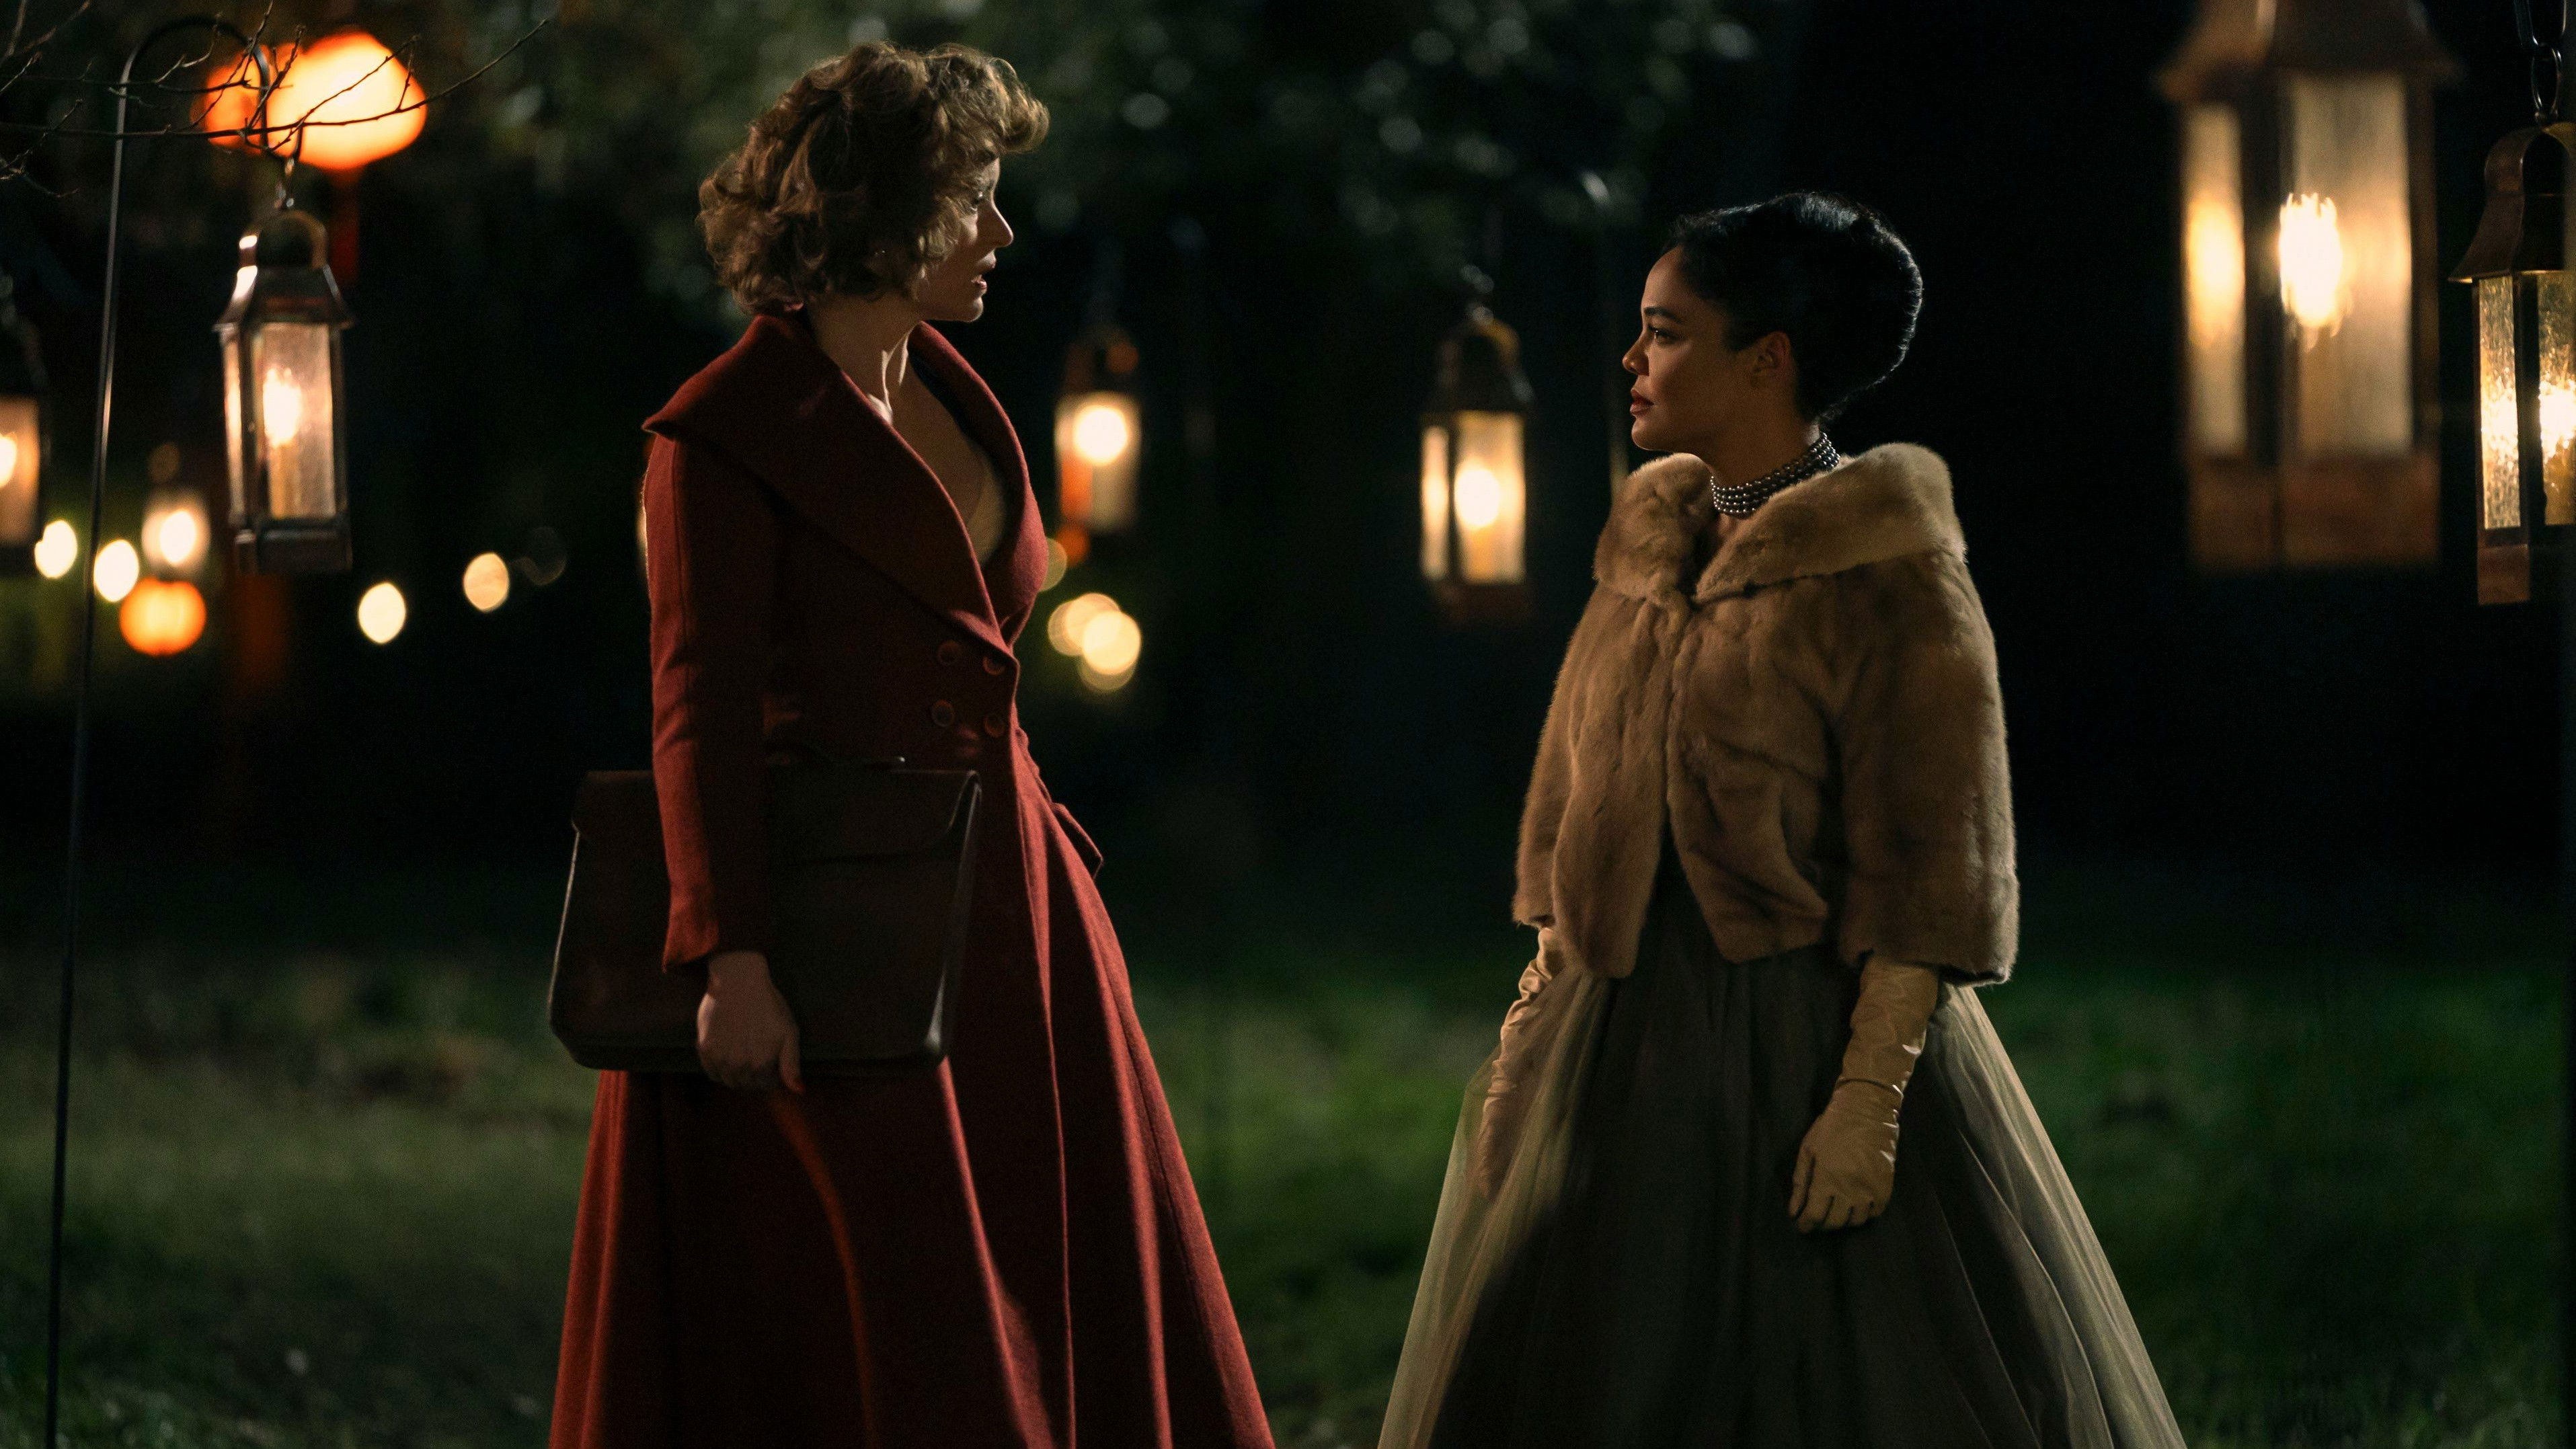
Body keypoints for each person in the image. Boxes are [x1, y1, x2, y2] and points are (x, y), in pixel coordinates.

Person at [1376, 193, 2189, 1449]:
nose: (1633, 359)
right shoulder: (1651, 549)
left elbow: (1933, 868)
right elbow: (1582, 810)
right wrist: (1535, 1035)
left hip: (1800, 1031)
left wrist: (1868, 1100)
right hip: (1619, 1035)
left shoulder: (1887, 572)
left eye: (1666, 333)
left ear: (1767, 361)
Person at [548, 41, 1273, 1449]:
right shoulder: (724, 436)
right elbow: (696, 707)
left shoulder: (952, 388)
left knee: (1048, 1261)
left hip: (1012, 899)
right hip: (833, 917)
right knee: (895, 1296)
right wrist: (732, 960)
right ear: (884, 211)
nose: (1000, 232)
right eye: (974, 199)